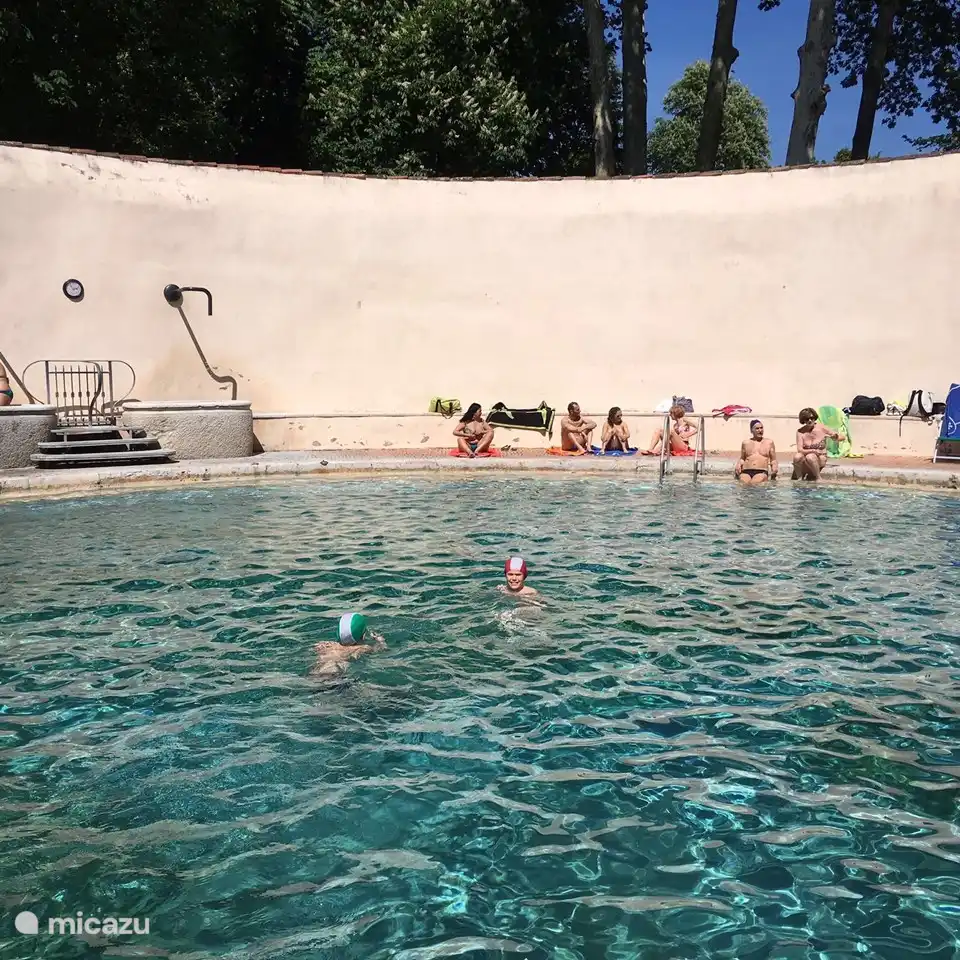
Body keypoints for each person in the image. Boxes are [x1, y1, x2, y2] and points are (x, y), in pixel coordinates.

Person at [311, 612, 385, 677]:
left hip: (317, 671)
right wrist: (380, 641)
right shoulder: (363, 648)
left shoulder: (328, 645)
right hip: (335, 672)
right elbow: (380, 650)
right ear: (363, 636)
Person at [793, 407, 844, 481]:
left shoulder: (821, 428)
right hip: (807, 458)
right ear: (803, 420)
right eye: (807, 419)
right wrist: (813, 450)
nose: (810, 420)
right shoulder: (800, 432)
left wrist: (835, 437)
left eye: (812, 418)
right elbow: (800, 449)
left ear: (814, 417)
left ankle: (818, 478)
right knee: (797, 457)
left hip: (820, 458)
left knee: (810, 456)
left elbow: (842, 437)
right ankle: (799, 478)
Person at [735, 419, 778, 484]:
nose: (760, 430)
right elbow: (742, 458)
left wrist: (774, 468)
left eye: (761, 428)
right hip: (746, 470)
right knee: (743, 483)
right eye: (757, 428)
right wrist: (738, 464)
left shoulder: (769, 442)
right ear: (751, 430)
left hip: (761, 471)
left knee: (754, 483)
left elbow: (773, 460)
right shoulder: (746, 443)